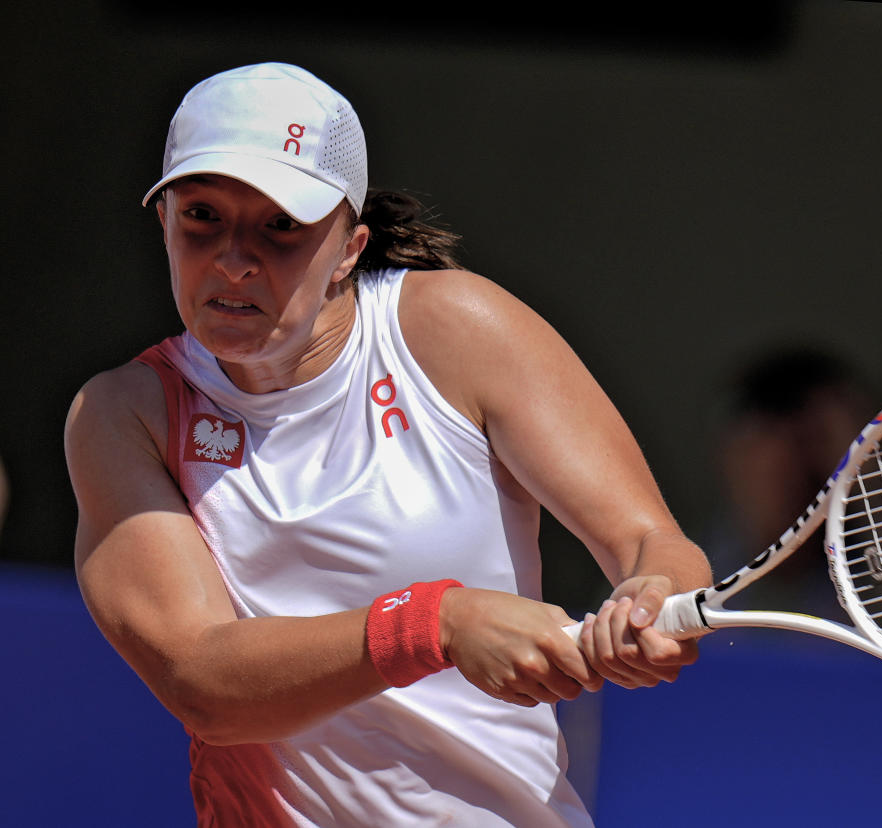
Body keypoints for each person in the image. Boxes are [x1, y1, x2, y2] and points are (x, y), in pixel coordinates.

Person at [65, 62, 711, 827]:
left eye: (281, 225)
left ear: (349, 247)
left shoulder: (454, 329)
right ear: (164, 224)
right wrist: (436, 622)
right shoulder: (122, 414)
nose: (233, 258)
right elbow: (202, 681)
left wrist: (648, 600)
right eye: (201, 216)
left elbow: (649, 542)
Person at [701, 346, 880, 620]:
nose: (783, 468)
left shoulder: (874, 570)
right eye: (762, 435)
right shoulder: (691, 566)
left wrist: (864, 483)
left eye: (815, 440)